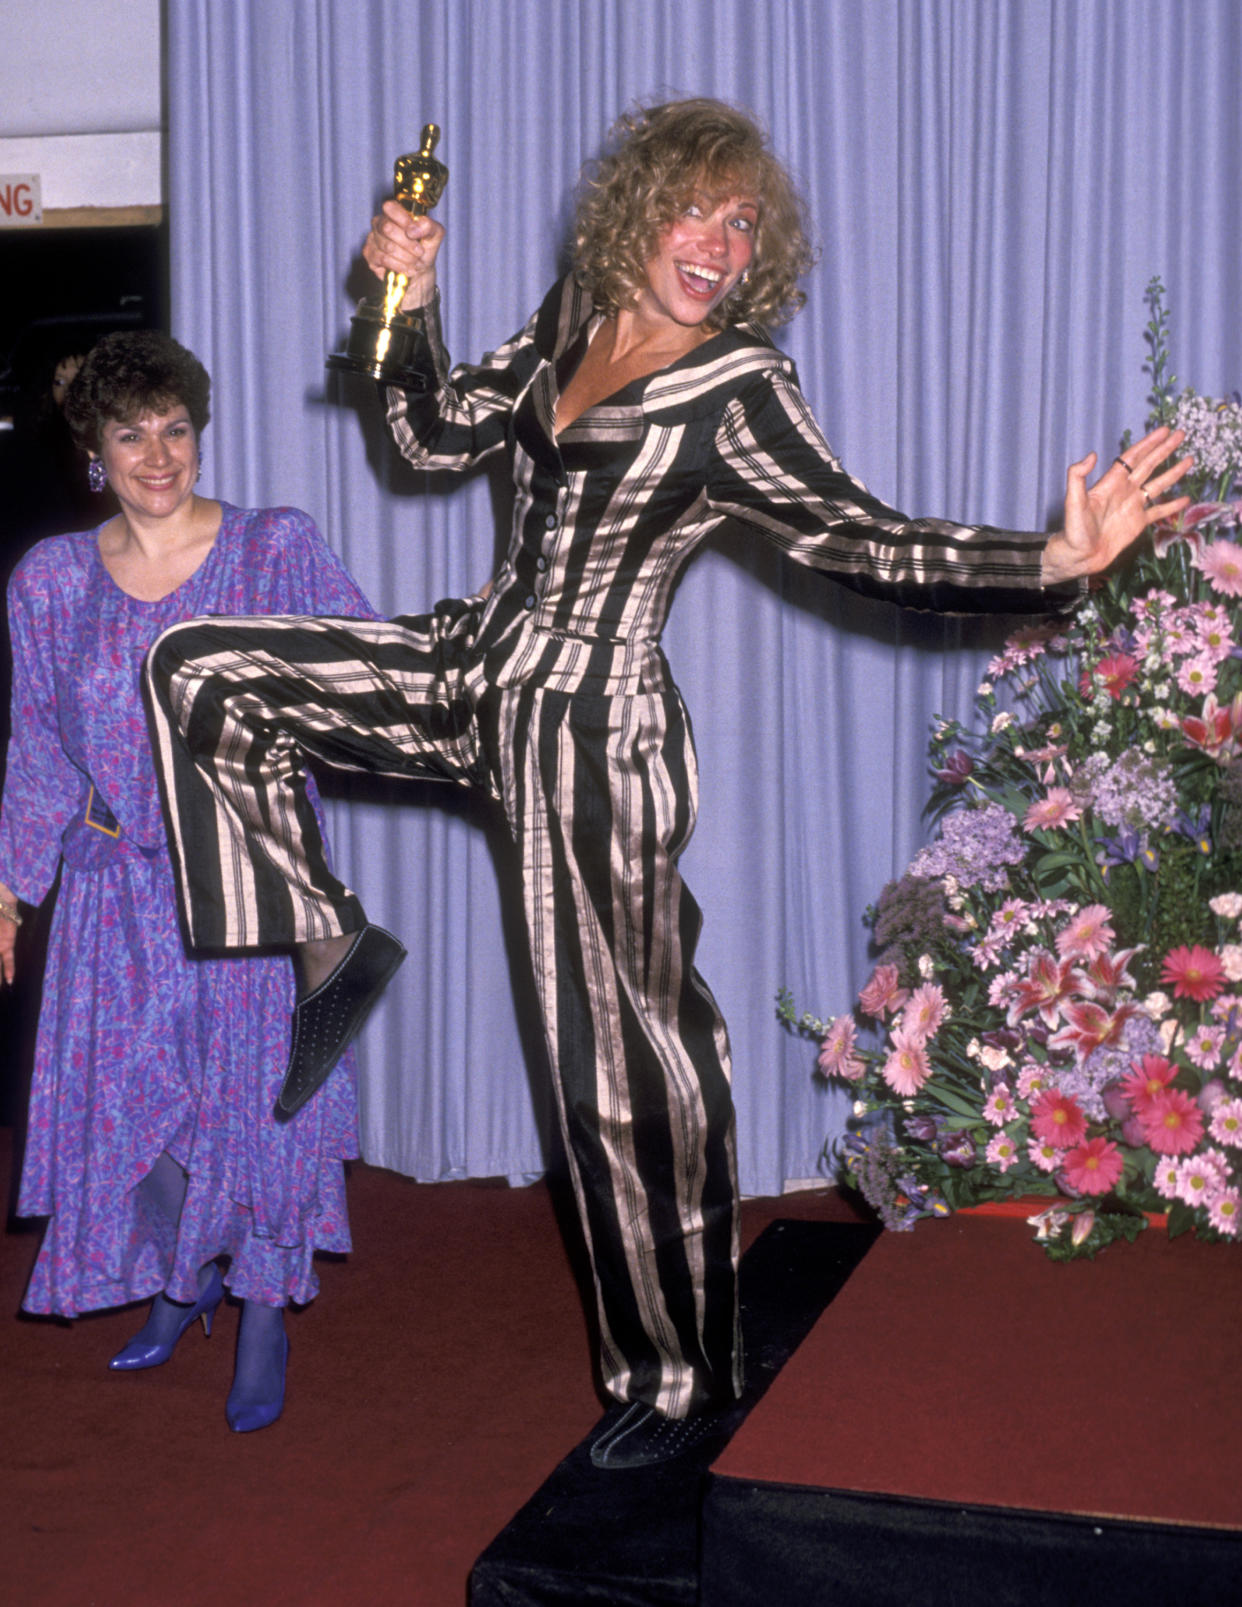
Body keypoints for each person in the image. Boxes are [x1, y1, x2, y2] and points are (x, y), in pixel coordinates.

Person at [142, 99, 1191, 1467]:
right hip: (476, 666)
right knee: (203, 667)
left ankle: (678, 1374)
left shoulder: (736, 386)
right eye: (695, 209)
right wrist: (399, 297)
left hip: (590, 731)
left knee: (620, 1076)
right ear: (635, 210)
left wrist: (1047, 563)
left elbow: (856, 538)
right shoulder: (572, 318)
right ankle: (324, 932)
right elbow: (429, 437)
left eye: (742, 221)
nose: (716, 240)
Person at [0, 329, 375, 1432]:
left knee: (262, 1112)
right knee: (126, 1115)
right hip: (115, 888)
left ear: (199, 434)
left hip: (257, 880)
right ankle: (184, 1270)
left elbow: (363, 677)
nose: (158, 454)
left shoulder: (275, 549)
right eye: (131, 433)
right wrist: (10, 889)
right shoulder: (51, 580)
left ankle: (262, 1306)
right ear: (93, 450)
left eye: (176, 428)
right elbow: (38, 751)